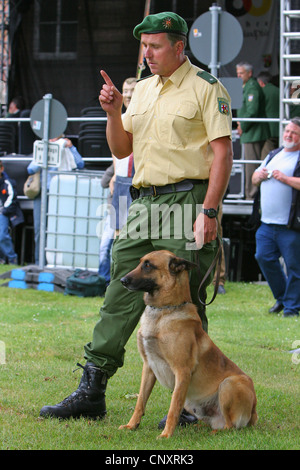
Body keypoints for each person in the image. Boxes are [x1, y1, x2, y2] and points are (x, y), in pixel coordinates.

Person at [39, 12, 233, 424]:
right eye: (144, 46)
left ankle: (186, 404)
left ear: (179, 47)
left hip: (188, 203)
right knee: (118, 291)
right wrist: (113, 112)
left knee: (187, 301)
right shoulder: (141, 90)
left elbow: (221, 154)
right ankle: (93, 388)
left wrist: (209, 210)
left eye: (156, 46)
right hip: (143, 205)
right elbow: (122, 149)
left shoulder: (206, 88)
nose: (147, 54)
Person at [252, 118, 300, 318]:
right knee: (263, 257)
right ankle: (282, 298)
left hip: (289, 226)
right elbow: (254, 180)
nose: (288, 135)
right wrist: (260, 175)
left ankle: (292, 307)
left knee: (295, 267)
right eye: (287, 131)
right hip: (267, 224)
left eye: (294, 133)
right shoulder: (274, 154)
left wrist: (285, 178)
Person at [27, 136, 84, 265]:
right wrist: (46, 152)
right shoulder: (43, 147)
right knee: (39, 229)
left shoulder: (67, 147)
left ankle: (58, 263)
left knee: (61, 229)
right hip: (43, 194)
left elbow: (80, 164)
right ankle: (39, 262)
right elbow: (31, 169)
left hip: (62, 193)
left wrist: (70, 147)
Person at [236, 62, 270, 199]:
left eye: (241, 73)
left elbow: (252, 110)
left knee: (251, 166)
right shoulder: (246, 86)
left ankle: (251, 196)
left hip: (253, 133)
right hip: (251, 133)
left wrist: (242, 126)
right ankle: (251, 195)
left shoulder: (252, 87)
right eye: (237, 73)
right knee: (250, 165)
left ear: (249, 73)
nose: (238, 76)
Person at [111, 77, 137, 235]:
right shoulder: (118, 119)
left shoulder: (146, 118)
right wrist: (115, 174)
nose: (128, 95)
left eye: (133, 91)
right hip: (121, 181)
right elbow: (114, 150)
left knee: (137, 232)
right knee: (119, 232)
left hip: (139, 181)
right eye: (125, 91)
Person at [0, 160, 24, 265]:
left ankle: (12, 258)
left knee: (2, 236)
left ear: (1, 169)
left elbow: (12, 198)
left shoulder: (8, 182)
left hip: (3, 213)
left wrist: (4, 210)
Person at [98, 163, 114, 285]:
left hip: (131, 210)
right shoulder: (117, 165)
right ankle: (103, 281)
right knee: (104, 247)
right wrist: (115, 167)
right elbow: (103, 183)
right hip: (113, 211)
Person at [257, 71, 280, 159]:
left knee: (266, 158)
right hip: (280, 128)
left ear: (261, 83)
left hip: (267, 130)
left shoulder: (262, 92)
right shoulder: (279, 90)